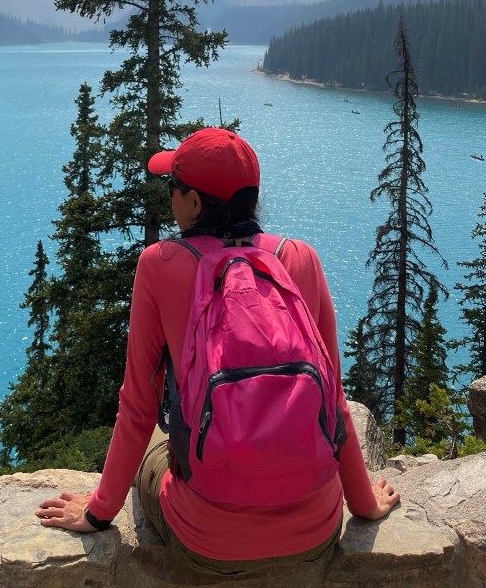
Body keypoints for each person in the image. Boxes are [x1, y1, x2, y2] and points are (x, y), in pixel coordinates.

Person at [37, 128, 400, 575]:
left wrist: (96, 513)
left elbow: (138, 406)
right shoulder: (300, 257)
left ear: (192, 202)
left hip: (207, 539)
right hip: (316, 529)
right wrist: (364, 504)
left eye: (174, 188)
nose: (170, 199)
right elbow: (333, 397)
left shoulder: (160, 264)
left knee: (155, 439)